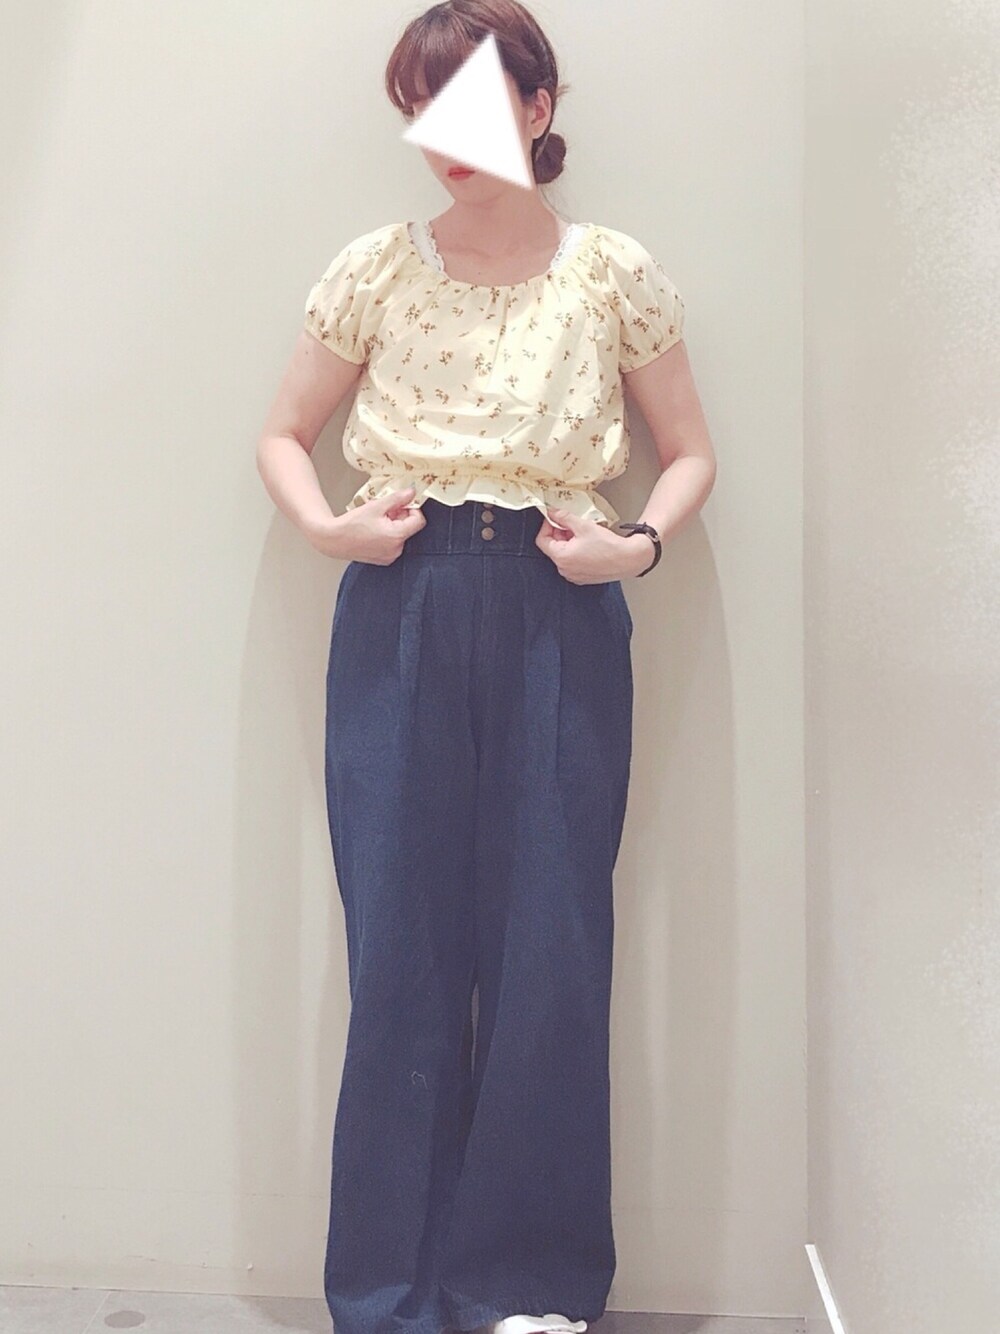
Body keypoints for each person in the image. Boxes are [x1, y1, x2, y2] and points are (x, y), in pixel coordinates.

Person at [256, 4, 717, 1334]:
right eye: (419, 107)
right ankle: (392, 1293)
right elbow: (285, 432)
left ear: (537, 105)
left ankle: (527, 1285)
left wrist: (633, 547)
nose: (438, 136)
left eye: (463, 100)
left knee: (548, 945)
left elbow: (690, 450)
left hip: (556, 606)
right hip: (400, 601)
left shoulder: (613, 272)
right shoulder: (376, 270)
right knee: (400, 942)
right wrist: (329, 529)